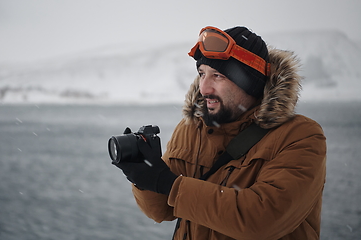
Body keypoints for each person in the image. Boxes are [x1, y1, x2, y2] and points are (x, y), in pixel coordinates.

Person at [113, 26, 327, 240]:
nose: (204, 88)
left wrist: (168, 184)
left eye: (218, 75)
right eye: (201, 74)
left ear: (250, 83)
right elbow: (162, 211)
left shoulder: (301, 136)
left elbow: (261, 220)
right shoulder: (190, 129)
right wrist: (144, 177)